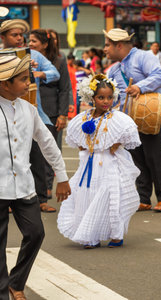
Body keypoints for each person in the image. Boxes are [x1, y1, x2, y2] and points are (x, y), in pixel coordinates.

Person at [0, 54, 70, 300]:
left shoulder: (29, 109)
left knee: (36, 233)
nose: (28, 83)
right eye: (21, 79)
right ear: (4, 83)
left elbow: (47, 142)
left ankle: (16, 281)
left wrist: (61, 176)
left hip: (24, 186)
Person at [57, 74, 141, 249]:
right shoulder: (84, 118)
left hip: (109, 164)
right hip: (89, 165)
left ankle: (116, 235)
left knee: (111, 198)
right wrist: (84, 146)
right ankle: (90, 236)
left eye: (110, 97)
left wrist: (117, 142)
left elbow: (129, 134)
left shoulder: (118, 118)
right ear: (91, 98)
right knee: (87, 196)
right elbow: (78, 140)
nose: (106, 101)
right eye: (101, 97)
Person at [104, 28, 161, 212]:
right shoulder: (113, 69)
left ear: (119, 45)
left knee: (154, 156)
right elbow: (114, 97)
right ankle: (144, 198)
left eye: (108, 45)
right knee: (138, 158)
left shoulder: (143, 57)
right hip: (130, 118)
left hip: (156, 114)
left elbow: (160, 75)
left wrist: (139, 87)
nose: (105, 49)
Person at [0, 19, 61, 213]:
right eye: (14, 35)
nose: (19, 38)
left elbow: (55, 73)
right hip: (4, 112)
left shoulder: (33, 54)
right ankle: (8, 198)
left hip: (33, 111)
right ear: (3, 38)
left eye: (21, 35)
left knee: (38, 156)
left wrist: (37, 72)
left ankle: (41, 199)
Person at [29, 29, 72, 212]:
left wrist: (63, 114)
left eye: (34, 41)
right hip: (33, 109)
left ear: (46, 44)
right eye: (28, 41)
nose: (30, 44)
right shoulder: (25, 57)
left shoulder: (58, 61)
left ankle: (45, 191)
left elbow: (65, 89)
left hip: (51, 113)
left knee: (47, 151)